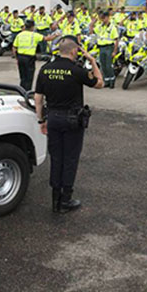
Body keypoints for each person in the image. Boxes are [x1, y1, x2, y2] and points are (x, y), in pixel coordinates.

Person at [34, 36, 103, 213]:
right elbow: (99, 83)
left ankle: (55, 199)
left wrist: (41, 120)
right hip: (72, 120)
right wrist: (93, 61)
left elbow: (38, 98)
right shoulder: (76, 70)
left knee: (56, 158)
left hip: (53, 119)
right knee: (70, 158)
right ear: (74, 51)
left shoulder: (45, 69)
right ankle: (65, 200)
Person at [12, 20, 59, 90]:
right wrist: (56, 35)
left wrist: (16, 58)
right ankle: (27, 92)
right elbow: (48, 38)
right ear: (32, 27)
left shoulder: (20, 34)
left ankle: (21, 90)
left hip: (20, 57)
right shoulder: (34, 35)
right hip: (29, 58)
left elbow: (14, 47)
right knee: (29, 77)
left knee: (23, 76)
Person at [90, 12, 119, 88]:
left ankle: (112, 80)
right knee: (103, 65)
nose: (103, 20)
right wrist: (92, 23)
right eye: (102, 18)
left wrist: (114, 51)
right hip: (101, 48)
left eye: (104, 18)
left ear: (108, 17)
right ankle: (106, 80)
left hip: (109, 48)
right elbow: (91, 32)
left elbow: (116, 40)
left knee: (108, 65)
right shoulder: (99, 27)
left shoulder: (112, 28)